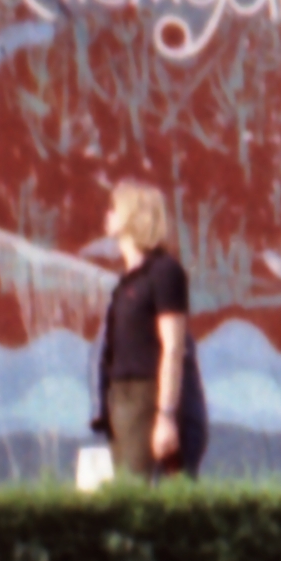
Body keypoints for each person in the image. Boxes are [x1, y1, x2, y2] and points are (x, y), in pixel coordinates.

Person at [91, 179, 208, 480]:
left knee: (141, 491)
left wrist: (165, 416)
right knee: (126, 489)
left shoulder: (164, 272)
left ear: (133, 215)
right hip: (122, 398)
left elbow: (173, 347)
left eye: (115, 208)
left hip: (148, 396)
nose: (107, 214)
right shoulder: (128, 281)